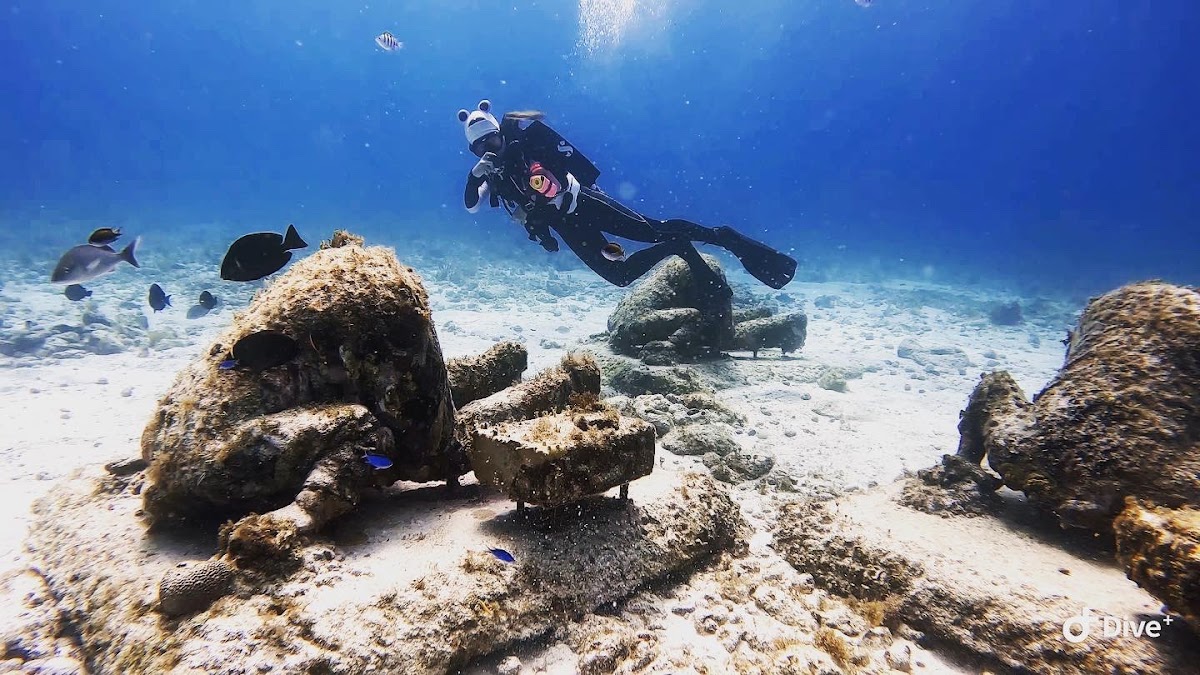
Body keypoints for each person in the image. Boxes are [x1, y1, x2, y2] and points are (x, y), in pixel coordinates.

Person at [456, 100, 797, 299]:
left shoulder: (527, 146)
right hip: (567, 226)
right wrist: (475, 175)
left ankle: (726, 238)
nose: (488, 151)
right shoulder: (491, 175)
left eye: (492, 142)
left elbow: (564, 162)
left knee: (653, 230)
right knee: (620, 276)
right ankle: (679, 247)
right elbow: (471, 206)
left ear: (500, 135)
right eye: (479, 148)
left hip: (584, 202)